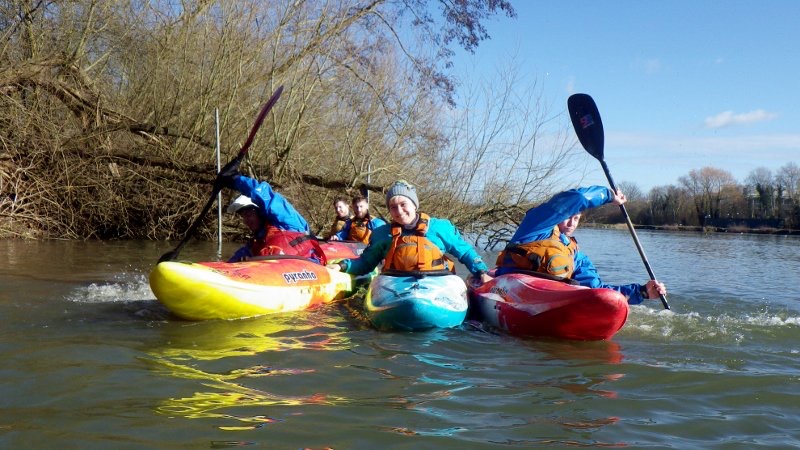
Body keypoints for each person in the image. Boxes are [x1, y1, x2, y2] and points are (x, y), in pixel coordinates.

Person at [495, 185, 667, 305]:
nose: (571, 223)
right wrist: (608, 195)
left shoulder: (575, 254)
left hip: (547, 301)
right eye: (568, 216)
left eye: (576, 218)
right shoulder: (536, 225)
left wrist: (642, 292)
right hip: (510, 292)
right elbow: (577, 198)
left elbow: (597, 290)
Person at [326, 180, 493, 284]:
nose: (399, 211)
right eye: (393, 207)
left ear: (414, 205)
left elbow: (464, 252)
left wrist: (482, 272)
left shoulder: (439, 228)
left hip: (437, 283)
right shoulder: (383, 234)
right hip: (396, 284)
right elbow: (365, 263)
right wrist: (342, 265)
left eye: (403, 204)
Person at [221, 170, 325, 264]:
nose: (246, 220)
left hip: (309, 265)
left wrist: (235, 180)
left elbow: (261, 194)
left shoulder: (287, 220)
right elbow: (236, 260)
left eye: (249, 215)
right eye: (243, 217)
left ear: (260, 212)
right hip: (273, 274)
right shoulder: (257, 241)